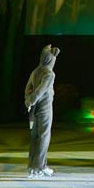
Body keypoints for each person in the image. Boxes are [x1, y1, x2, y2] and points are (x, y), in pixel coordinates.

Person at [24, 44, 60, 178]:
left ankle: (33, 166)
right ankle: (39, 167)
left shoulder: (36, 71)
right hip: (44, 108)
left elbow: (28, 88)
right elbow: (41, 90)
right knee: (44, 136)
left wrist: (28, 101)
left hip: (33, 110)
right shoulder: (49, 74)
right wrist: (31, 100)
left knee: (35, 137)